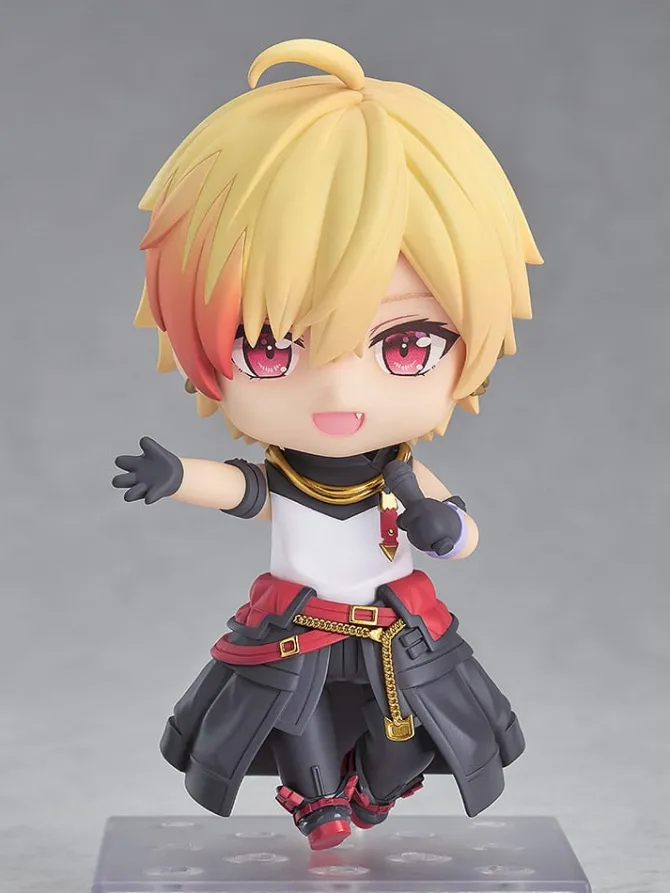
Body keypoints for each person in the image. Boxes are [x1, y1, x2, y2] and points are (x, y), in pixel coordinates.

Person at [113, 37, 542, 851]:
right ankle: (318, 802)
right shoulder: (283, 472)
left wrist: (444, 527)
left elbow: (460, 531)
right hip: (299, 627)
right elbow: (243, 489)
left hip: (394, 631)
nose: (341, 392)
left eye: (405, 344)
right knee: (292, 718)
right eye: (271, 347)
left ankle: (373, 791)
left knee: (410, 736)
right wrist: (176, 476)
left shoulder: (401, 474)